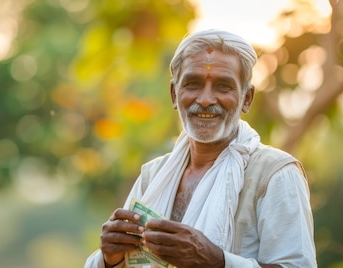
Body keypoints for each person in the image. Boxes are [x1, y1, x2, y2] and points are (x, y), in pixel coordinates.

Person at [84, 29, 316, 268]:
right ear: (175, 95)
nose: (205, 100)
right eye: (193, 84)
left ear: (247, 98)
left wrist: (217, 261)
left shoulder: (275, 174)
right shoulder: (154, 175)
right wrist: (109, 259)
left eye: (223, 87)